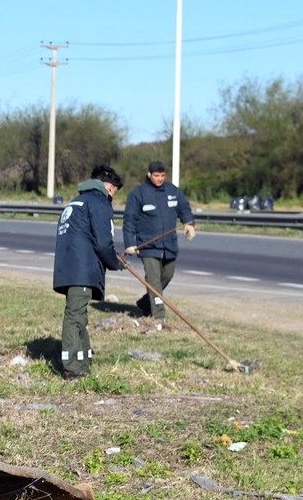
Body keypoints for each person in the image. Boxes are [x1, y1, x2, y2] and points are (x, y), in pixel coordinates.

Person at [52, 164, 124, 380]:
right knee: (74, 317)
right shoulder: (99, 202)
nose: (112, 196)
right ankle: (72, 368)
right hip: (83, 269)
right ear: (108, 187)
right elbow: (103, 243)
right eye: (113, 191)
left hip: (68, 268)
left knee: (79, 315)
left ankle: (83, 361)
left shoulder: (75, 202)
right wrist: (115, 262)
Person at [123, 160, 196, 329]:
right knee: (154, 280)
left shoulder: (173, 191)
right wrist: (129, 243)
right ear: (149, 175)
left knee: (167, 276)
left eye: (163, 175)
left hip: (169, 245)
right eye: (156, 175)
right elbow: (129, 221)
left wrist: (189, 224)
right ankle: (159, 317)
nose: (160, 179)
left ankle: (145, 302)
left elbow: (184, 208)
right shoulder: (138, 194)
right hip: (148, 247)